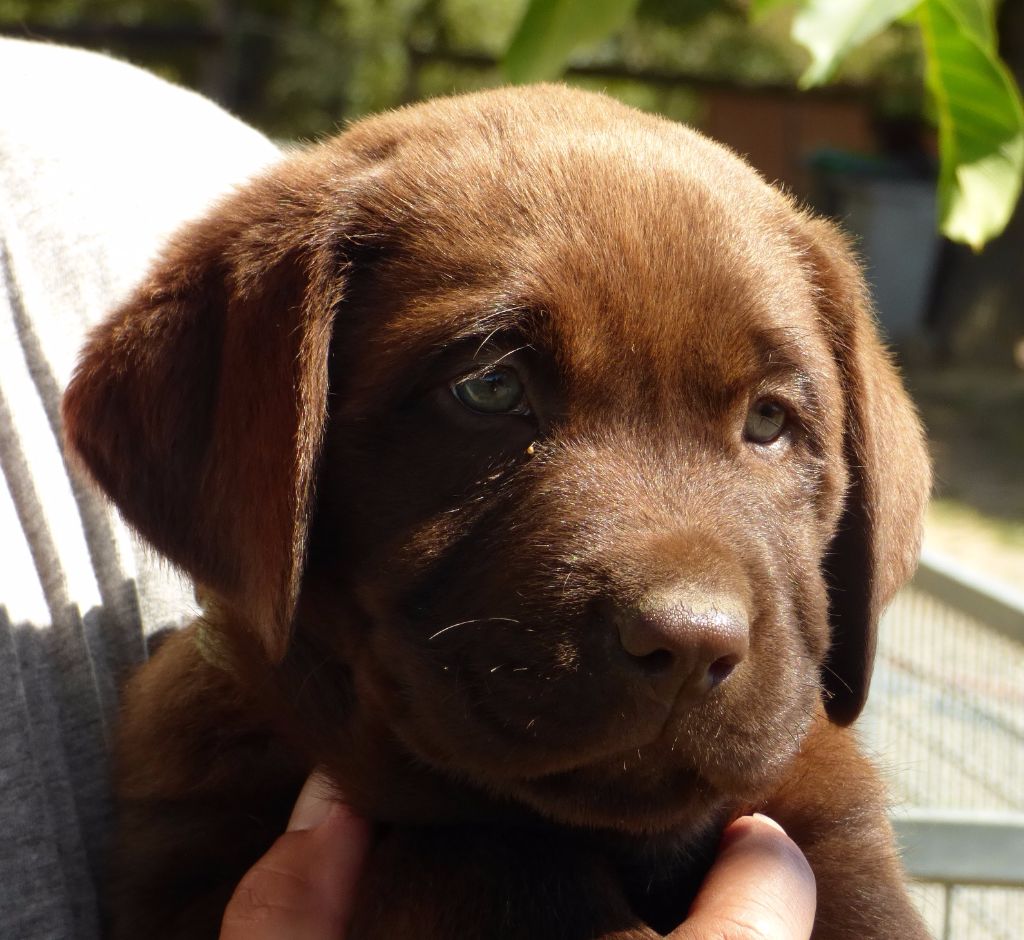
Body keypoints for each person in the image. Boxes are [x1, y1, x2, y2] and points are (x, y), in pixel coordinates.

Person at [0, 37, 814, 940]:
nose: (690, 617)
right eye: (488, 389)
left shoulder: (803, 812)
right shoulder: (215, 802)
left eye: (770, 423)